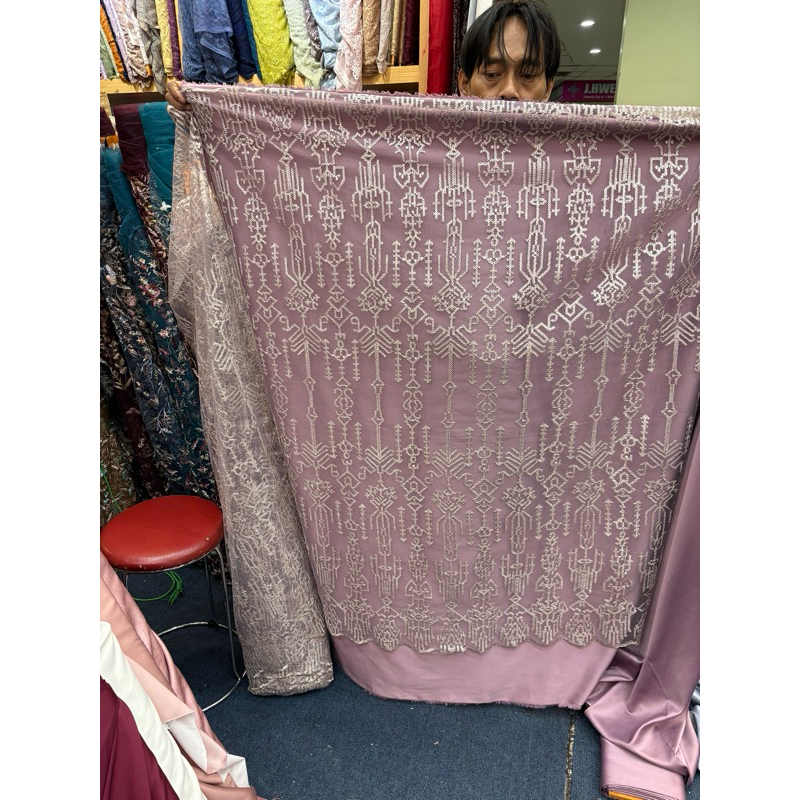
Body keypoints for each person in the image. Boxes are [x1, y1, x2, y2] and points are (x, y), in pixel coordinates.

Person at [165, 0, 561, 109]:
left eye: (528, 75)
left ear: (548, 87)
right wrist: (201, 107)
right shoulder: (427, 149)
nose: (510, 92)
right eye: (492, 74)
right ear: (463, 83)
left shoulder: (580, 174)